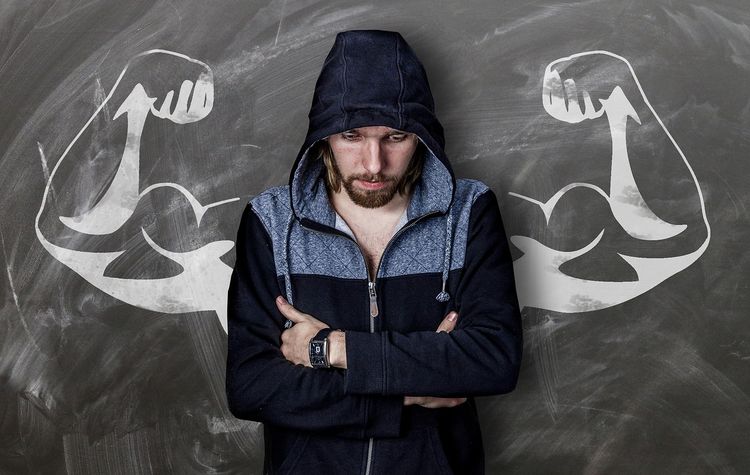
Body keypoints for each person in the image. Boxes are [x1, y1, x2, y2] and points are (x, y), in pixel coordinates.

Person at [226, 29, 522, 475]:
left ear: (421, 137)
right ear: (323, 137)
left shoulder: (469, 212)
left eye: (395, 137)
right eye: (351, 136)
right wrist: (406, 393)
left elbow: (492, 360)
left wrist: (334, 350)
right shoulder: (271, 221)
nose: (373, 163)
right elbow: (252, 387)